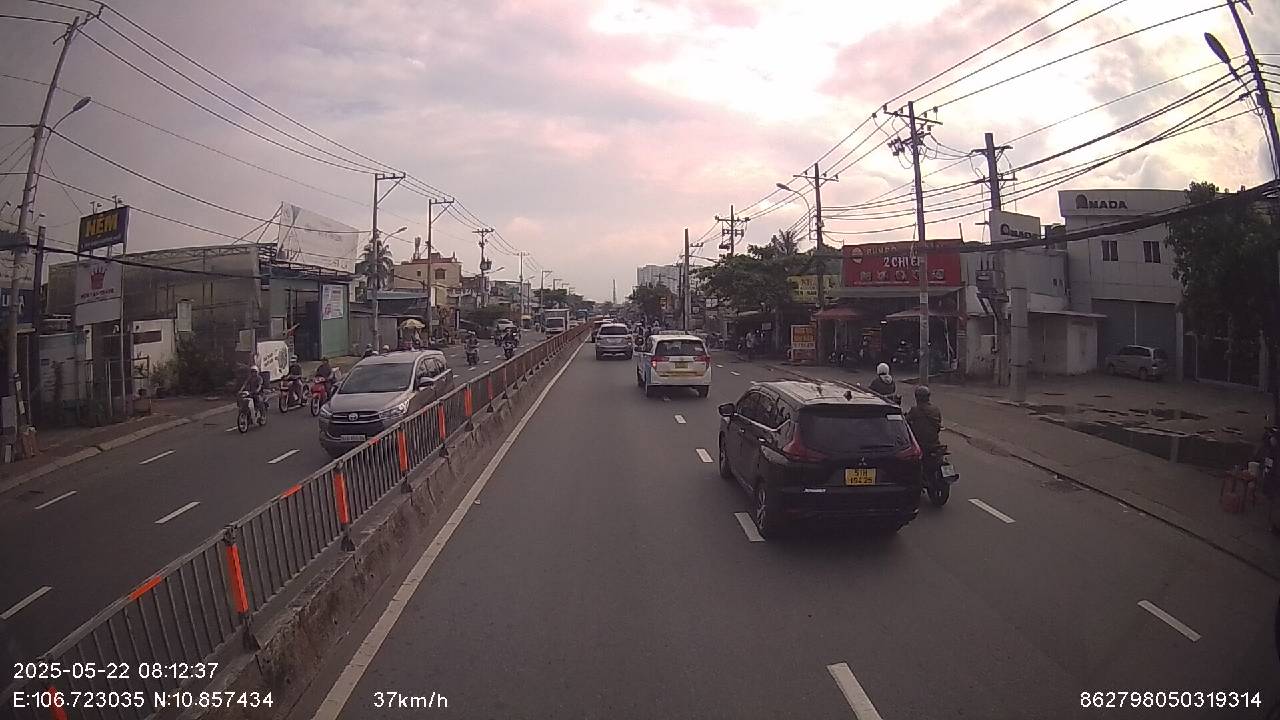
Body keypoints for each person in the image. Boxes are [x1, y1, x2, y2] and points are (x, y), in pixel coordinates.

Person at [906, 385, 943, 454]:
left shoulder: (914, 410)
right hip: (934, 441)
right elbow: (938, 426)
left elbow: (906, 422)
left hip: (919, 442)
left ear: (917, 397)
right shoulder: (936, 409)